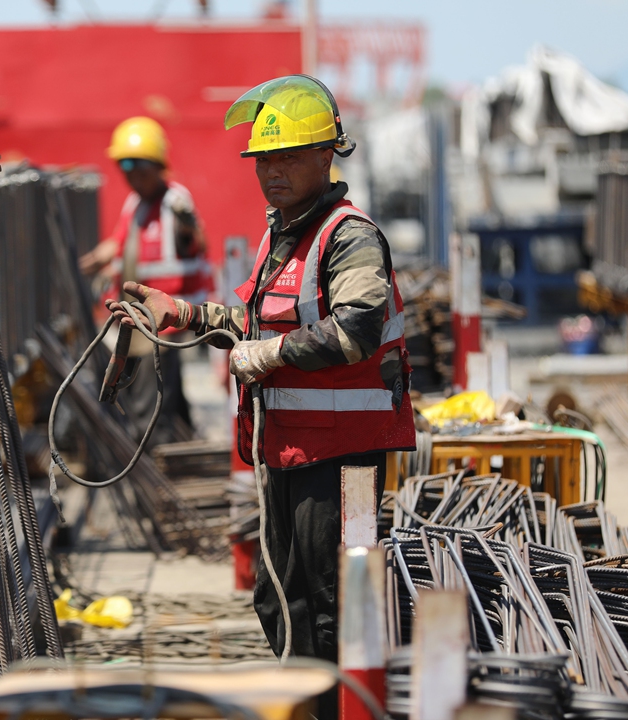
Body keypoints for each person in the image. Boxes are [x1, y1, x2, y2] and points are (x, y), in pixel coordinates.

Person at [108, 76, 414, 719]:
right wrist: (186, 316)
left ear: (327, 155)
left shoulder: (347, 236)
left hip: (341, 462)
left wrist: (270, 355)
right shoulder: (286, 237)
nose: (271, 172)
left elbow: (356, 328)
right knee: (281, 600)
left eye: (287, 156)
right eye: (263, 159)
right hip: (288, 452)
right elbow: (255, 326)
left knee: (330, 607)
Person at [80, 116, 212, 445]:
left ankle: (159, 452)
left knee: (151, 396)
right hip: (145, 317)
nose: (131, 176)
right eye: (125, 168)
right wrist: (98, 258)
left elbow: (196, 241)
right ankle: (180, 444)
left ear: (157, 165)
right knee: (169, 391)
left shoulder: (175, 201)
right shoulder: (136, 202)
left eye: (138, 167)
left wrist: (187, 228)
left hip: (170, 314)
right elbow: (120, 242)